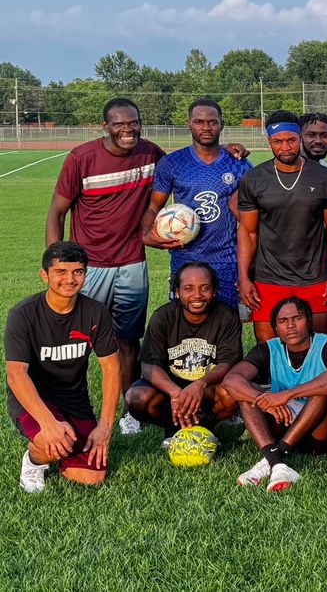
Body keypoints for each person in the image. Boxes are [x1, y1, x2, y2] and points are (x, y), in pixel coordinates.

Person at [46, 97, 162, 435]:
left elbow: (187, 165)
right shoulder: (81, 158)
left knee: (127, 340)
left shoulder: (151, 153)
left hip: (131, 263)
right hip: (89, 265)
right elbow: (56, 212)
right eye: (120, 124)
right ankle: (67, 407)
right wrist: (58, 262)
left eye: (133, 123)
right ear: (105, 126)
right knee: (75, 338)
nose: (128, 130)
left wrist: (230, 147)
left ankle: (130, 411)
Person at [7, 242, 120, 491]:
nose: (70, 279)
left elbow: (111, 368)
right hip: (34, 398)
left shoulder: (95, 312)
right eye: (60, 272)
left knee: (92, 477)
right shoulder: (23, 314)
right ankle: (34, 460)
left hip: (74, 399)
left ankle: (61, 447)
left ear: (85, 274)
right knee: (51, 439)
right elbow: (16, 375)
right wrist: (48, 423)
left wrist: (105, 426)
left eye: (77, 272)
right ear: (44, 275)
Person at [221, 297, 327, 492]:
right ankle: (277, 464)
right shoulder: (268, 349)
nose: (290, 325)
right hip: (285, 421)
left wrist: (286, 395)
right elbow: (231, 380)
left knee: (323, 389)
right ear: (275, 327)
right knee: (246, 396)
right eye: (283, 321)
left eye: (297, 318)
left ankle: (273, 457)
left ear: (309, 321)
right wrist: (263, 400)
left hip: (320, 434)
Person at [237, 110, 327, 343]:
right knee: (269, 350)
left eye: (291, 140)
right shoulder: (254, 179)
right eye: (278, 141)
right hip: (269, 278)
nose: (285, 147)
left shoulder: (324, 177)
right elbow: (248, 232)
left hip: (316, 277)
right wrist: (244, 277)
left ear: (300, 138)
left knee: (318, 349)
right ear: (269, 142)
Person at [140, 97, 252, 314]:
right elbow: (153, 207)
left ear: (221, 125)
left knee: (227, 324)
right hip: (185, 259)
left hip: (226, 260)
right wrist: (146, 234)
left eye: (212, 121)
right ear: (189, 124)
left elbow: (251, 217)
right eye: (199, 121)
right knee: (183, 327)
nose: (206, 127)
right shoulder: (171, 163)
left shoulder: (239, 164)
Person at [125, 262, 242, 439]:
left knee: (232, 393)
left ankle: (204, 428)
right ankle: (173, 427)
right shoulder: (163, 316)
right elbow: (149, 365)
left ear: (215, 291)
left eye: (205, 288)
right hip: (170, 388)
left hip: (208, 387)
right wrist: (175, 393)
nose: (197, 295)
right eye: (188, 288)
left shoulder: (226, 316)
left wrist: (200, 384)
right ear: (177, 292)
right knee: (136, 397)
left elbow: (228, 363)